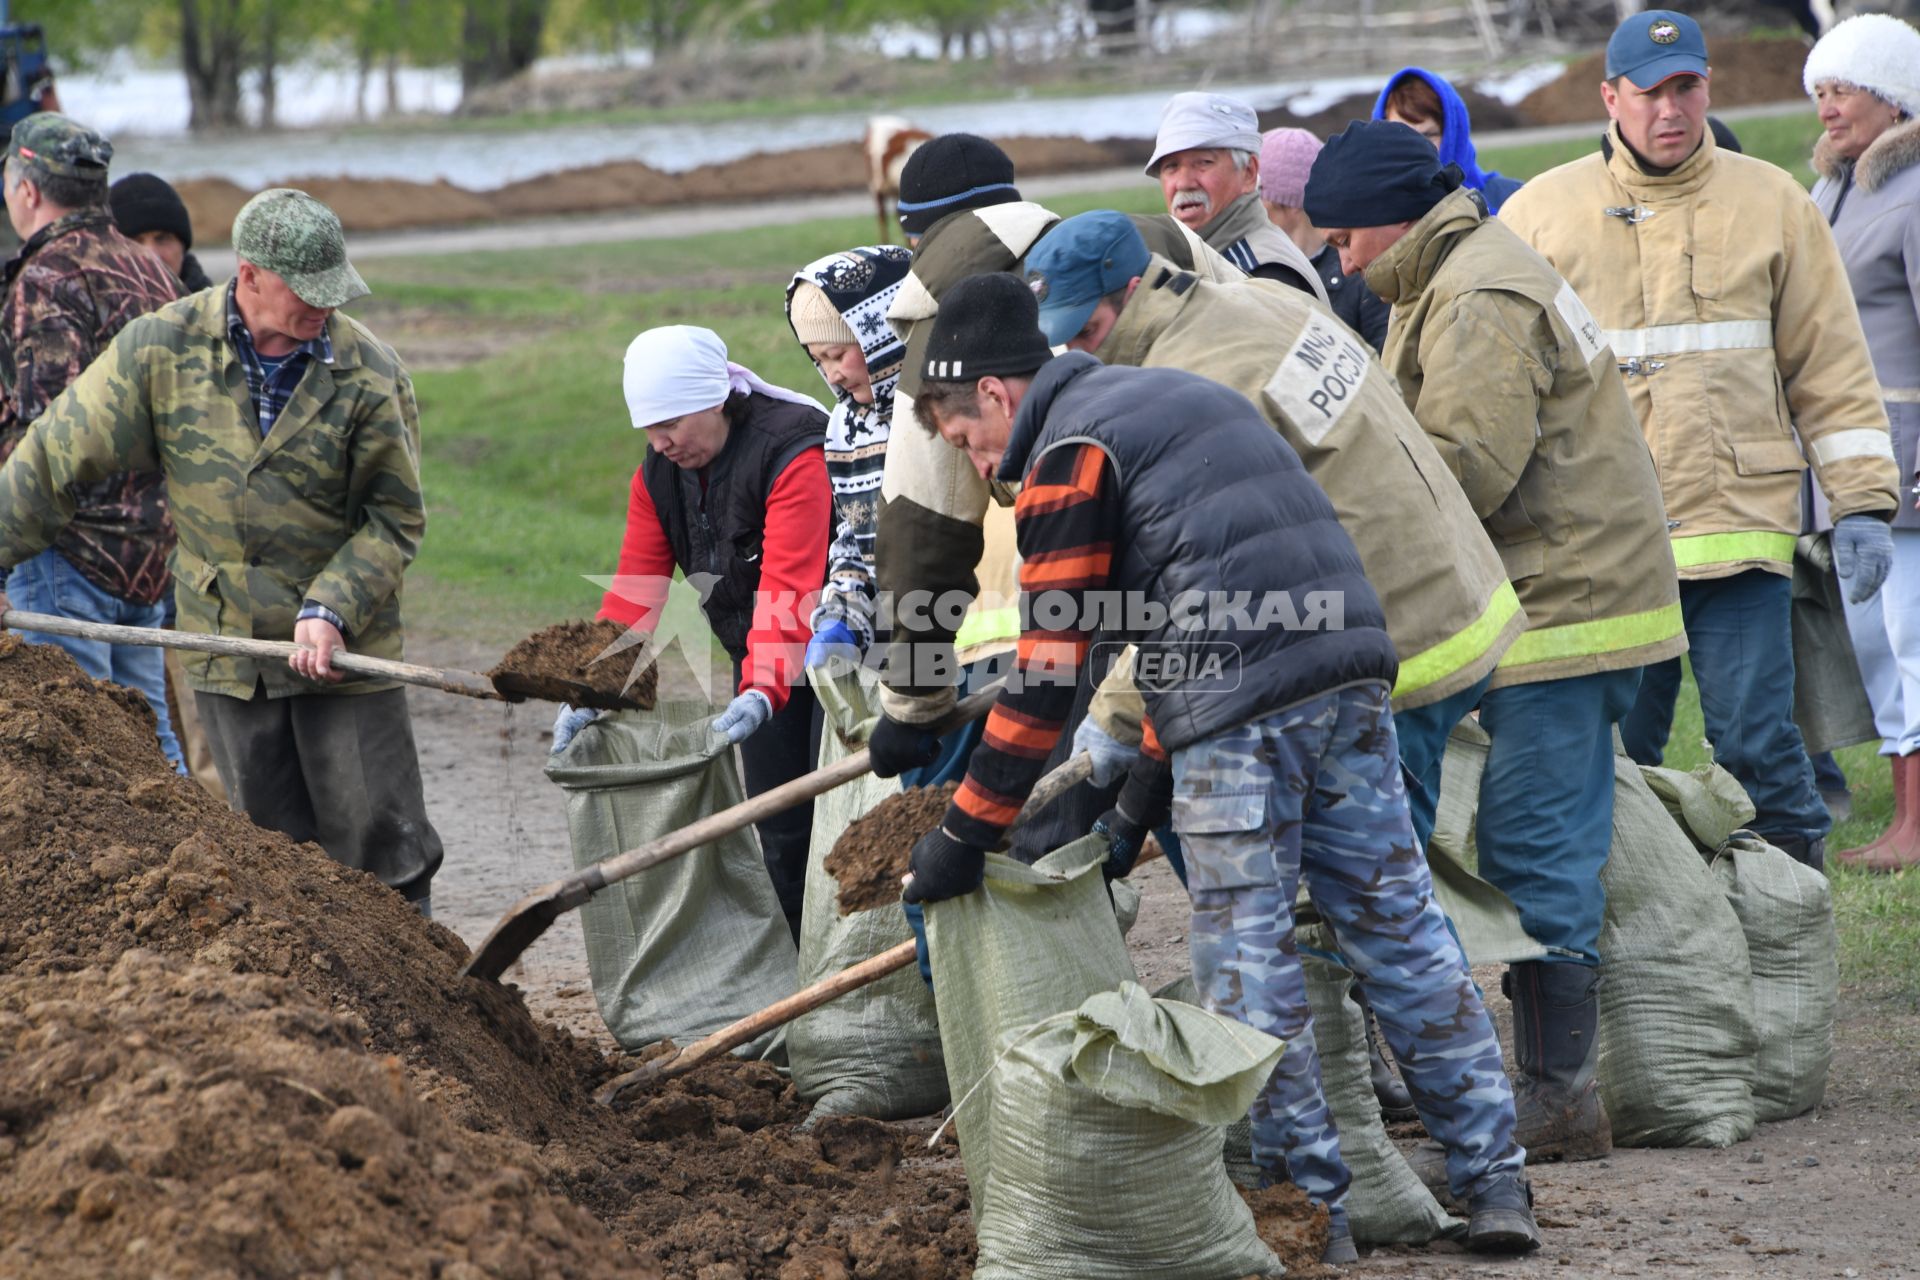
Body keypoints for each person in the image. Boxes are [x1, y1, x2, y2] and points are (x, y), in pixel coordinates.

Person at [902, 271, 1540, 1262]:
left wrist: (965, 830)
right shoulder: (1172, 392)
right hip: (1348, 665)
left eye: (963, 437)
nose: (978, 460)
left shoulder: (1066, 453)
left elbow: (1045, 676)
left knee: (1246, 959)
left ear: (993, 394)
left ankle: (1309, 1211)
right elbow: (1197, 590)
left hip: (1245, 696)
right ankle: (1497, 1181)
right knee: (1398, 928)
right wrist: (1141, 778)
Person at [1024, 207, 1522, 1125]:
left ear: (1130, 292)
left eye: (1087, 331)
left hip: (1367, 632)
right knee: (1389, 908)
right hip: (1433, 594)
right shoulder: (1249, 301)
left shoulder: (1190, 377)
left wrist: (1113, 719)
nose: (1078, 357)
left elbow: (1206, 581)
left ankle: (1362, 1128)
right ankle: (1475, 1152)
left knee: (1342, 916)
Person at [1305, 119, 1687, 1166]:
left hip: (1571, 603)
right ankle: (1521, 1082)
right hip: (1529, 591)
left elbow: (1460, 470)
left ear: (1396, 218)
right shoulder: (1445, 274)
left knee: (1534, 842)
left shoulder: (1477, 294)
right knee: (1525, 837)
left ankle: (1559, 1098)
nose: (1339, 261)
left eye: (1344, 240)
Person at [1501, 8, 1900, 871]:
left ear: (1708, 88)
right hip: (1605, 542)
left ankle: (1794, 908)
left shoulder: (1773, 203)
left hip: (1740, 527)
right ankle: (1644, 925)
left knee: (1758, 741)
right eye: (1649, 93)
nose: (1670, 109)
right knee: (1616, 756)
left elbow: (1830, 364)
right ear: (1611, 98)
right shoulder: (1540, 214)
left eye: (1687, 88)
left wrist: (1865, 501)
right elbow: (1502, 378)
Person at [0, 188, 446, 912]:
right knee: (268, 860)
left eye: (333, 293)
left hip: (344, 653)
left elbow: (394, 519)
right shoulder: (162, 350)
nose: (322, 310)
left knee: (384, 852)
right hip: (229, 651)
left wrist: (331, 606)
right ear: (249, 277)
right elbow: (54, 457)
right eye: (306, 294)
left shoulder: (370, 373)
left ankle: (414, 1017)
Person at [567, 324, 829, 939]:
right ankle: (799, 983)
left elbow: (790, 587)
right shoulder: (658, 476)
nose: (659, 443)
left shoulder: (792, 449)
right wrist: (592, 687)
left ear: (715, 399)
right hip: (760, 661)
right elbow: (637, 592)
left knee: (839, 824)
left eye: (671, 425)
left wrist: (765, 687)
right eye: (648, 429)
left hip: (842, 659)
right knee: (782, 831)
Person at [0, 113, 185, 771]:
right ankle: (200, 861)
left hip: (66, 552)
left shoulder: (47, 279)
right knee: (151, 742)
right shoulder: (154, 269)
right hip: (149, 546)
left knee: (78, 751)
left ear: (26, 190)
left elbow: (44, 436)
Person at [1804, 14, 1920, 869]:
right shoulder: (1831, 191)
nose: (1826, 111)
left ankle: (1917, 825)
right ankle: (1903, 808)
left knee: (1911, 634)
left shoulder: (1918, 192)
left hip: (1908, 454)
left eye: (1841, 90)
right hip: (1851, 467)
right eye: (1819, 93)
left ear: (1892, 97)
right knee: (1874, 639)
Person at [108, 166, 226, 803]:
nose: (155, 253)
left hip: (201, 570)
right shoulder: (103, 326)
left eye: (166, 237)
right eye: (139, 238)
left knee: (211, 748)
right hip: (125, 564)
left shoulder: (219, 324)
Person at [785, 246, 915, 673]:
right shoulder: (844, 428)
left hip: (973, 636)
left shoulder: (942, 410)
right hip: (895, 650)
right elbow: (854, 541)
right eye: (818, 358)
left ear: (881, 334)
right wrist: (840, 619)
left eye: (839, 354)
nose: (832, 373)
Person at [1145, 92, 1326, 302]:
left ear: (1249, 173)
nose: (1184, 183)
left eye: (1203, 163)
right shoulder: (1198, 258)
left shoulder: (1262, 273)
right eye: (1171, 167)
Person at [1258, 127, 1390, 350]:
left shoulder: (1361, 270)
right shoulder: (1257, 264)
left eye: (1258, 194)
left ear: (1286, 202)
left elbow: (1386, 366)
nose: (1252, 206)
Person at [1373, 67, 1523, 213]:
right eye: (1402, 134)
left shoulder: (1510, 201)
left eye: (1428, 135)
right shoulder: (1370, 212)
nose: (1414, 147)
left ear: (1454, 137)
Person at [109, 172, 213, 291]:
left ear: (183, 247)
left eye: (162, 238)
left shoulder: (220, 307)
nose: (152, 254)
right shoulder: (89, 306)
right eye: (134, 242)